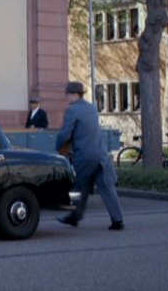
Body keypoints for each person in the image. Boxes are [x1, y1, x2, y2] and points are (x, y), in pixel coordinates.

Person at [55, 81, 124, 230]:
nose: (66, 97)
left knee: (77, 186)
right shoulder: (92, 108)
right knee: (107, 187)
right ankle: (117, 220)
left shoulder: (72, 110)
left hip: (84, 156)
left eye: (67, 94)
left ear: (73, 94)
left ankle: (74, 216)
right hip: (100, 153)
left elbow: (65, 133)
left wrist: (58, 148)